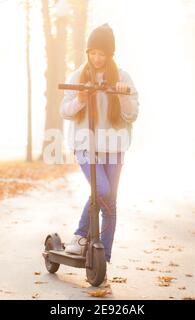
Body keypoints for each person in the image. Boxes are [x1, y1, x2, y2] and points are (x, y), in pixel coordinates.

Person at [59, 23, 139, 263]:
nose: (96, 58)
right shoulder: (78, 76)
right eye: (92, 52)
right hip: (85, 145)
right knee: (103, 191)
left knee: (110, 203)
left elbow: (132, 115)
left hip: (114, 147)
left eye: (101, 53)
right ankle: (81, 235)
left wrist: (123, 96)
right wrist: (81, 99)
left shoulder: (123, 77)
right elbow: (65, 111)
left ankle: (103, 258)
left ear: (110, 54)